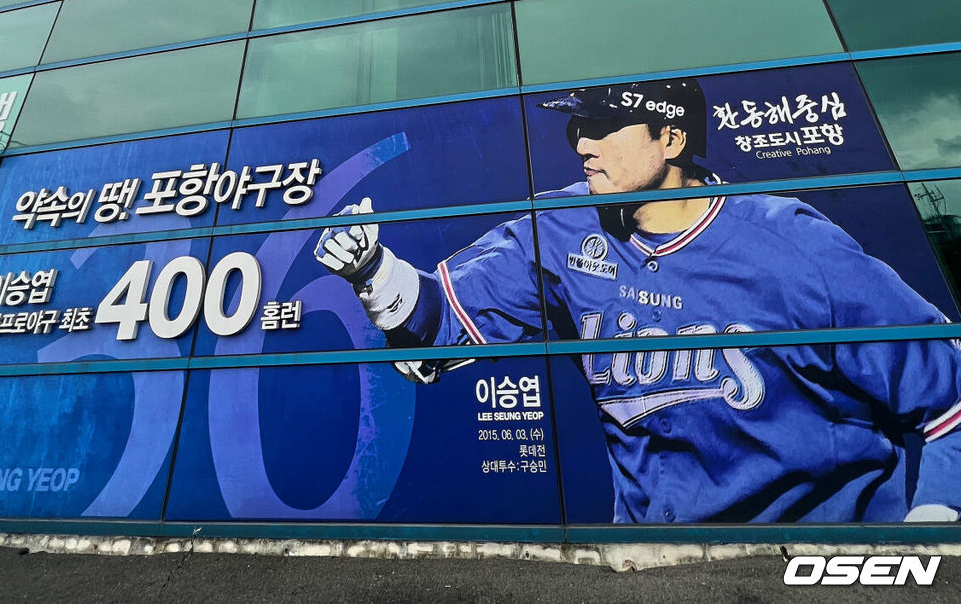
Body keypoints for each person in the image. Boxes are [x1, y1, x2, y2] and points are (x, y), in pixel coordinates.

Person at [315, 78, 961, 524]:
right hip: (656, 556)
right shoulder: (560, 228)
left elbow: (949, 395)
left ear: (671, 139)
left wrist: (932, 522)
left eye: (602, 126)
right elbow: (442, 327)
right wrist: (375, 271)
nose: (581, 142)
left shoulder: (794, 245)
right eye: (576, 126)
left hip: (812, 552)